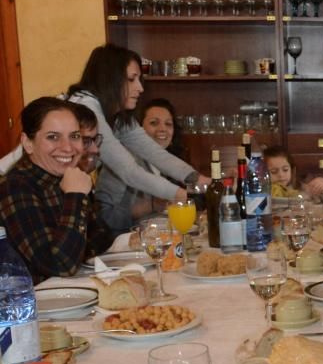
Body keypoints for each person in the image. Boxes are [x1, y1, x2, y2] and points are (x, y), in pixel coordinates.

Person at [66, 44, 208, 233]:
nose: (140, 88)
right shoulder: (87, 107)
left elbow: (153, 151)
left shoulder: (114, 113)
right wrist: (181, 196)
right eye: (132, 79)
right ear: (110, 80)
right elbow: (129, 171)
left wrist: (196, 179)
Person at [0, 97, 114, 282]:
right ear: (27, 143)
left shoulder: (67, 177)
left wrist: (76, 249)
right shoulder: (15, 187)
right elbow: (60, 265)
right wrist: (75, 197)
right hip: (33, 306)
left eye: (75, 136)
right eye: (53, 137)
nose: (68, 147)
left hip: (69, 295)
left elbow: (103, 237)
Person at [139, 98, 187, 162]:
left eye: (168, 124)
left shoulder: (177, 164)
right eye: (154, 123)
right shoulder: (130, 164)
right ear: (139, 128)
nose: (163, 129)